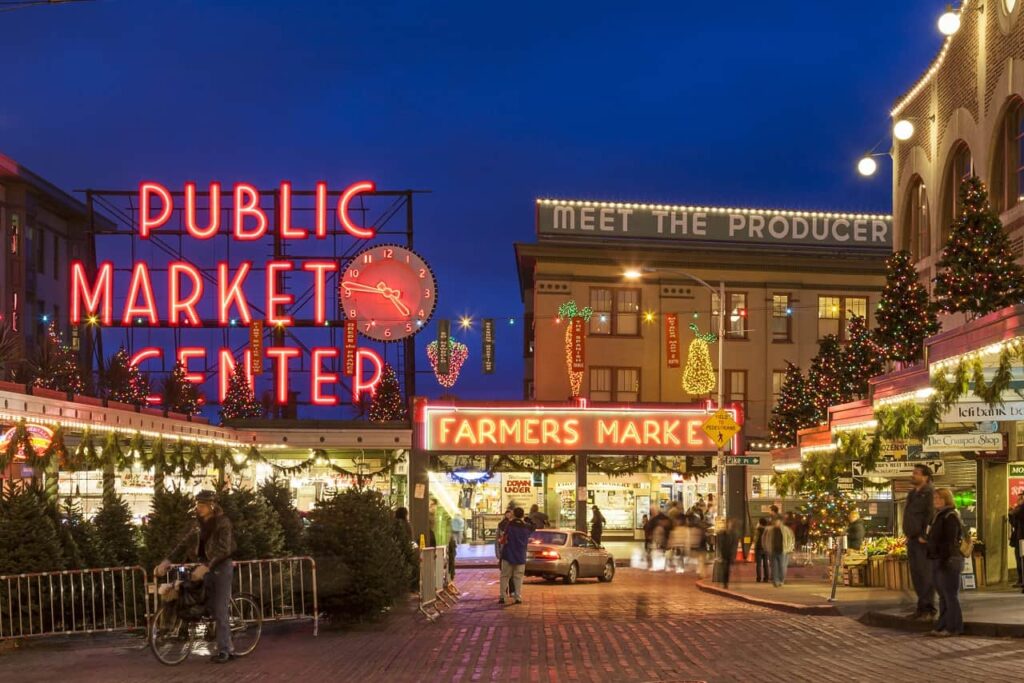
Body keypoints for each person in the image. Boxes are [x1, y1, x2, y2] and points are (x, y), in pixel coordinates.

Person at [155, 490, 236, 664]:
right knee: (191, 597)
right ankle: (172, 628)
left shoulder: (223, 523)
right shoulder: (195, 525)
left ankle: (225, 649)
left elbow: (224, 549)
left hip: (220, 567)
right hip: (201, 567)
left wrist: (207, 566)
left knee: (220, 610)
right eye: (197, 504)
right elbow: (182, 543)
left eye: (202, 505)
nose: (198, 508)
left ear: (212, 506)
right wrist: (167, 561)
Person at [926, 487, 965, 637]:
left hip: (948, 559)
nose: (936, 501)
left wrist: (943, 557)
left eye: (939, 498)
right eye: (935, 498)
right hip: (938, 559)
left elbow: (949, 541)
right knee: (943, 595)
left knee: (950, 595)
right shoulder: (938, 516)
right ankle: (942, 625)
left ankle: (954, 627)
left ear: (946, 499)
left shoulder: (950, 516)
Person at [904, 464, 936, 620]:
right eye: (913, 472)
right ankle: (921, 607)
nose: (913, 475)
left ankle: (928, 609)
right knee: (916, 575)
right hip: (912, 539)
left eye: (916, 473)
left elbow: (931, 516)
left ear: (925, 477)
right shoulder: (912, 494)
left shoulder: (929, 493)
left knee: (925, 574)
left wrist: (925, 535)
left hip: (922, 541)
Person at [498, 507, 532, 605]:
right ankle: (518, 597)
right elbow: (534, 526)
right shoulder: (526, 527)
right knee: (518, 577)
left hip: (508, 554)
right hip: (520, 554)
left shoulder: (508, 525)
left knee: (505, 576)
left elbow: (503, 535)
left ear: (514, 514)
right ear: (522, 515)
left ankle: (502, 597)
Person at [763, 516, 794, 587]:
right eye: (775, 521)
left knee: (782, 566)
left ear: (781, 522)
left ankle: (781, 580)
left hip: (783, 551)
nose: (776, 523)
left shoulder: (786, 530)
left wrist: (790, 548)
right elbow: (765, 539)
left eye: (778, 521)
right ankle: (776, 581)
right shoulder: (770, 530)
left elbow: (791, 539)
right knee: (774, 567)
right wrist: (766, 547)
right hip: (773, 550)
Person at [715, 519, 740, 589]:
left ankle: (725, 582)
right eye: (729, 524)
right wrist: (719, 554)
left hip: (729, 553)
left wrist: (733, 555)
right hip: (724, 553)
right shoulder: (722, 533)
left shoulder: (734, 534)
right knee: (725, 568)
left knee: (727, 569)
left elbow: (735, 545)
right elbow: (719, 544)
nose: (730, 526)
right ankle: (724, 582)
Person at [1009, 493, 1024, 587]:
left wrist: (1013, 509)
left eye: (1019, 499)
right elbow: (1014, 522)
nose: (1018, 502)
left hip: (1022, 538)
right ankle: (1020, 579)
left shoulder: (1021, 508)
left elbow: (1012, 514)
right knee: (1019, 558)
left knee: (1020, 559)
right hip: (1020, 537)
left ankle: (1021, 580)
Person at [753, 516, 770, 583]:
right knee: (766, 564)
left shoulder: (758, 530)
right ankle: (766, 578)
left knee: (759, 564)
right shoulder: (768, 530)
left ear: (760, 523)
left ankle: (759, 578)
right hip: (766, 548)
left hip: (759, 548)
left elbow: (755, 539)